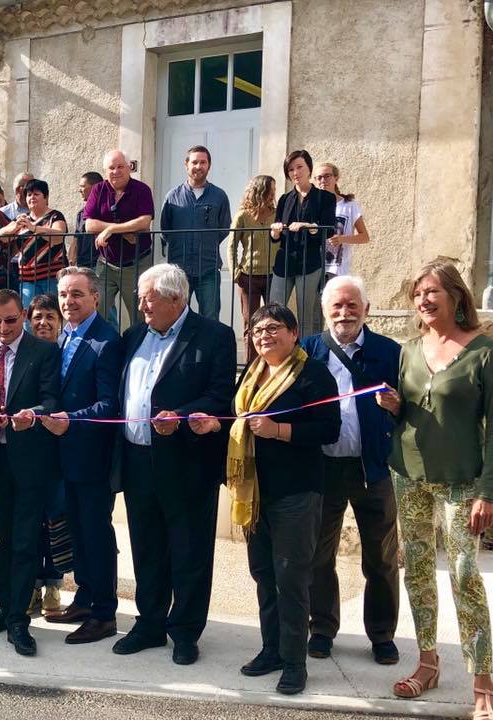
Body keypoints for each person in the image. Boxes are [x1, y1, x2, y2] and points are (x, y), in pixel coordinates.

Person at [193, 303, 340, 695]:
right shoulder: (253, 375)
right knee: (264, 574)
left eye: (274, 329)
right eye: (257, 332)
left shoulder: (313, 374)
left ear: (293, 333)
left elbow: (329, 429)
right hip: (255, 492)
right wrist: (215, 425)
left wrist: (279, 430)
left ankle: (295, 663)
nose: (264, 337)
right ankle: (271, 649)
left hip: (296, 492)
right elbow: (238, 421)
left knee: (292, 578)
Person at [379, 259, 493, 716]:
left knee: (465, 575)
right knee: (418, 571)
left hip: (464, 479)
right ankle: (427, 663)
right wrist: (392, 406)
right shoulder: (408, 350)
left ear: (456, 297)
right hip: (408, 475)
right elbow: (408, 411)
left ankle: (483, 680)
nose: (424, 301)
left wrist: (488, 490)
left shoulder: (483, 351)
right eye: (418, 294)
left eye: (432, 293)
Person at [110, 263, 235, 665]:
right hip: (137, 459)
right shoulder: (132, 337)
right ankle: (149, 623)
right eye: (141, 297)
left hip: (186, 464)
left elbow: (219, 397)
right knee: (146, 547)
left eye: (149, 297)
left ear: (176, 298)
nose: (141, 304)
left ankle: (184, 631)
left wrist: (180, 417)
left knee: (189, 550)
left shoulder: (215, 336)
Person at [300, 275, 400, 664]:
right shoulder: (309, 350)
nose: (344, 313)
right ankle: (322, 629)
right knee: (318, 556)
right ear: (325, 311)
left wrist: (396, 406)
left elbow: (410, 405)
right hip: (323, 469)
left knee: (381, 557)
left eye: (352, 305)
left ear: (366, 310)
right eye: (336, 306)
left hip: (372, 470)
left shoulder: (389, 351)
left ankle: (382, 635)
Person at [0, 289, 59, 656]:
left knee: (24, 540)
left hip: (31, 459)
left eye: (9, 320)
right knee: (4, 540)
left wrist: (32, 414)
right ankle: (5, 609)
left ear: (22, 314)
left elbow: (52, 400)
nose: (3, 328)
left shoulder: (44, 351)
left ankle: (20, 619)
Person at [39, 267, 123, 643]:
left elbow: (110, 404)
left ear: (95, 298)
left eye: (76, 294)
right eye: (63, 294)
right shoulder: (64, 336)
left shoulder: (107, 341)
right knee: (77, 532)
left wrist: (71, 420)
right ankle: (86, 598)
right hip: (63, 457)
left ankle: (105, 614)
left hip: (92, 457)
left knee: (96, 534)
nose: (68, 301)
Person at [24, 293, 68, 616]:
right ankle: (32, 588)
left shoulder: (67, 352)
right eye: (38, 316)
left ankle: (54, 586)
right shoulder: (23, 354)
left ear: (60, 322)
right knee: (31, 522)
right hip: (29, 450)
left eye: (50, 317)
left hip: (60, 453)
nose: (44, 322)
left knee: (56, 520)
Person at [268, 150, 336, 337]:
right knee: (274, 311)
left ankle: (309, 356)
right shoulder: (284, 199)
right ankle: (279, 350)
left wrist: (310, 226)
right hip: (284, 262)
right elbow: (277, 236)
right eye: (290, 169)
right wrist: (274, 232)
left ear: (309, 169)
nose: (295, 172)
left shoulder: (325, 198)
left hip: (310, 263)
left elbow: (329, 230)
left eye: (299, 167)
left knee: (308, 316)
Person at [159, 146, 232, 319]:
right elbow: (165, 230)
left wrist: (206, 243)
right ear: (186, 165)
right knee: (176, 316)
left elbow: (223, 228)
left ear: (209, 166)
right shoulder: (172, 196)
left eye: (203, 162)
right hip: (179, 270)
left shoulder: (219, 196)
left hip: (208, 268)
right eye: (194, 162)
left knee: (210, 317)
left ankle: (206, 348)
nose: (198, 166)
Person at [83, 150, 154, 325]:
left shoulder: (142, 189)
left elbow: (145, 222)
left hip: (136, 264)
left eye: (120, 166)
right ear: (105, 171)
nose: (116, 171)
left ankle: (138, 351)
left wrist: (110, 229)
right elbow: (89, 225)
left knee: (140, 317)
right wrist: (120, 230)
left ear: (129, 168)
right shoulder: (98, 190)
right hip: (106, 264)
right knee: (95, 313)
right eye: (111, 168)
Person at [0, 179, 67, 309]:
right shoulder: (22, 218)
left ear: (46, 197)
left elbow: (59, 235)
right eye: (29, 195)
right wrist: (14, 229)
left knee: (52, 313)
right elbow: (2, 236)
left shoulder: (55, 216)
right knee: (28, 318)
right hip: (27, 278)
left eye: (36, 194)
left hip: (51, 277)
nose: (32, 198)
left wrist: (34, 228)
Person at [230, 175, 277, 361]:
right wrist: (235, 272)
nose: (274, 193)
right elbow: (232, 244)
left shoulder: (277, 212)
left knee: (274, 321)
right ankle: (251, 366)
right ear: (261, 190)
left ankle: (272, 362)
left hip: (274, 275)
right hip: (248, 276)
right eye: (271, 189)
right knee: (251, 323)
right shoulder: (243, 215)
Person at [314, 163, 370, 278]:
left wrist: (342, 239)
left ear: (336, 178)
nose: (323, 180)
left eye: (327, 176)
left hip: (337, 271)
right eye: (319, 177)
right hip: (314, 269)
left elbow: (364, 237)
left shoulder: (349, 206)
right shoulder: (312, 205)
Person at [71, 171, 102, 269]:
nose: (79, 190)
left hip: (100, 263)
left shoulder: (105, 210)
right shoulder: (81, 213)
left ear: (94, 187)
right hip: (83, 264)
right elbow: (76, 238)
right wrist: (72, 255)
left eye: (82, 186)